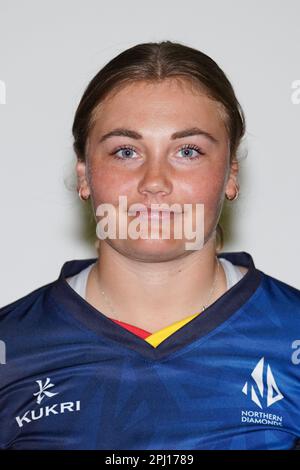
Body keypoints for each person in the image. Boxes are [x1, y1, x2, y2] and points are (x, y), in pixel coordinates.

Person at [0, 40, 299, 451]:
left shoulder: (290, 335)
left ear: (231, 174)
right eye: (126, 151)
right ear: (84, 175)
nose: (154, 181)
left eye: (188, 151)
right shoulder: (11, 347)